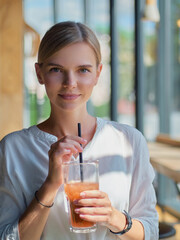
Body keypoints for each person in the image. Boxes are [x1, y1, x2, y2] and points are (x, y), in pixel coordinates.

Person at [0, 21, 158, 240]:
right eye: (56, 69)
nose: (70, 83)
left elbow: (150, 232)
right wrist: (50, 186)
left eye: (83, 70)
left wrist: (112, 217)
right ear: (39, 73)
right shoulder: (13, 148)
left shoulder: (129, 141)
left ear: (97, 73)